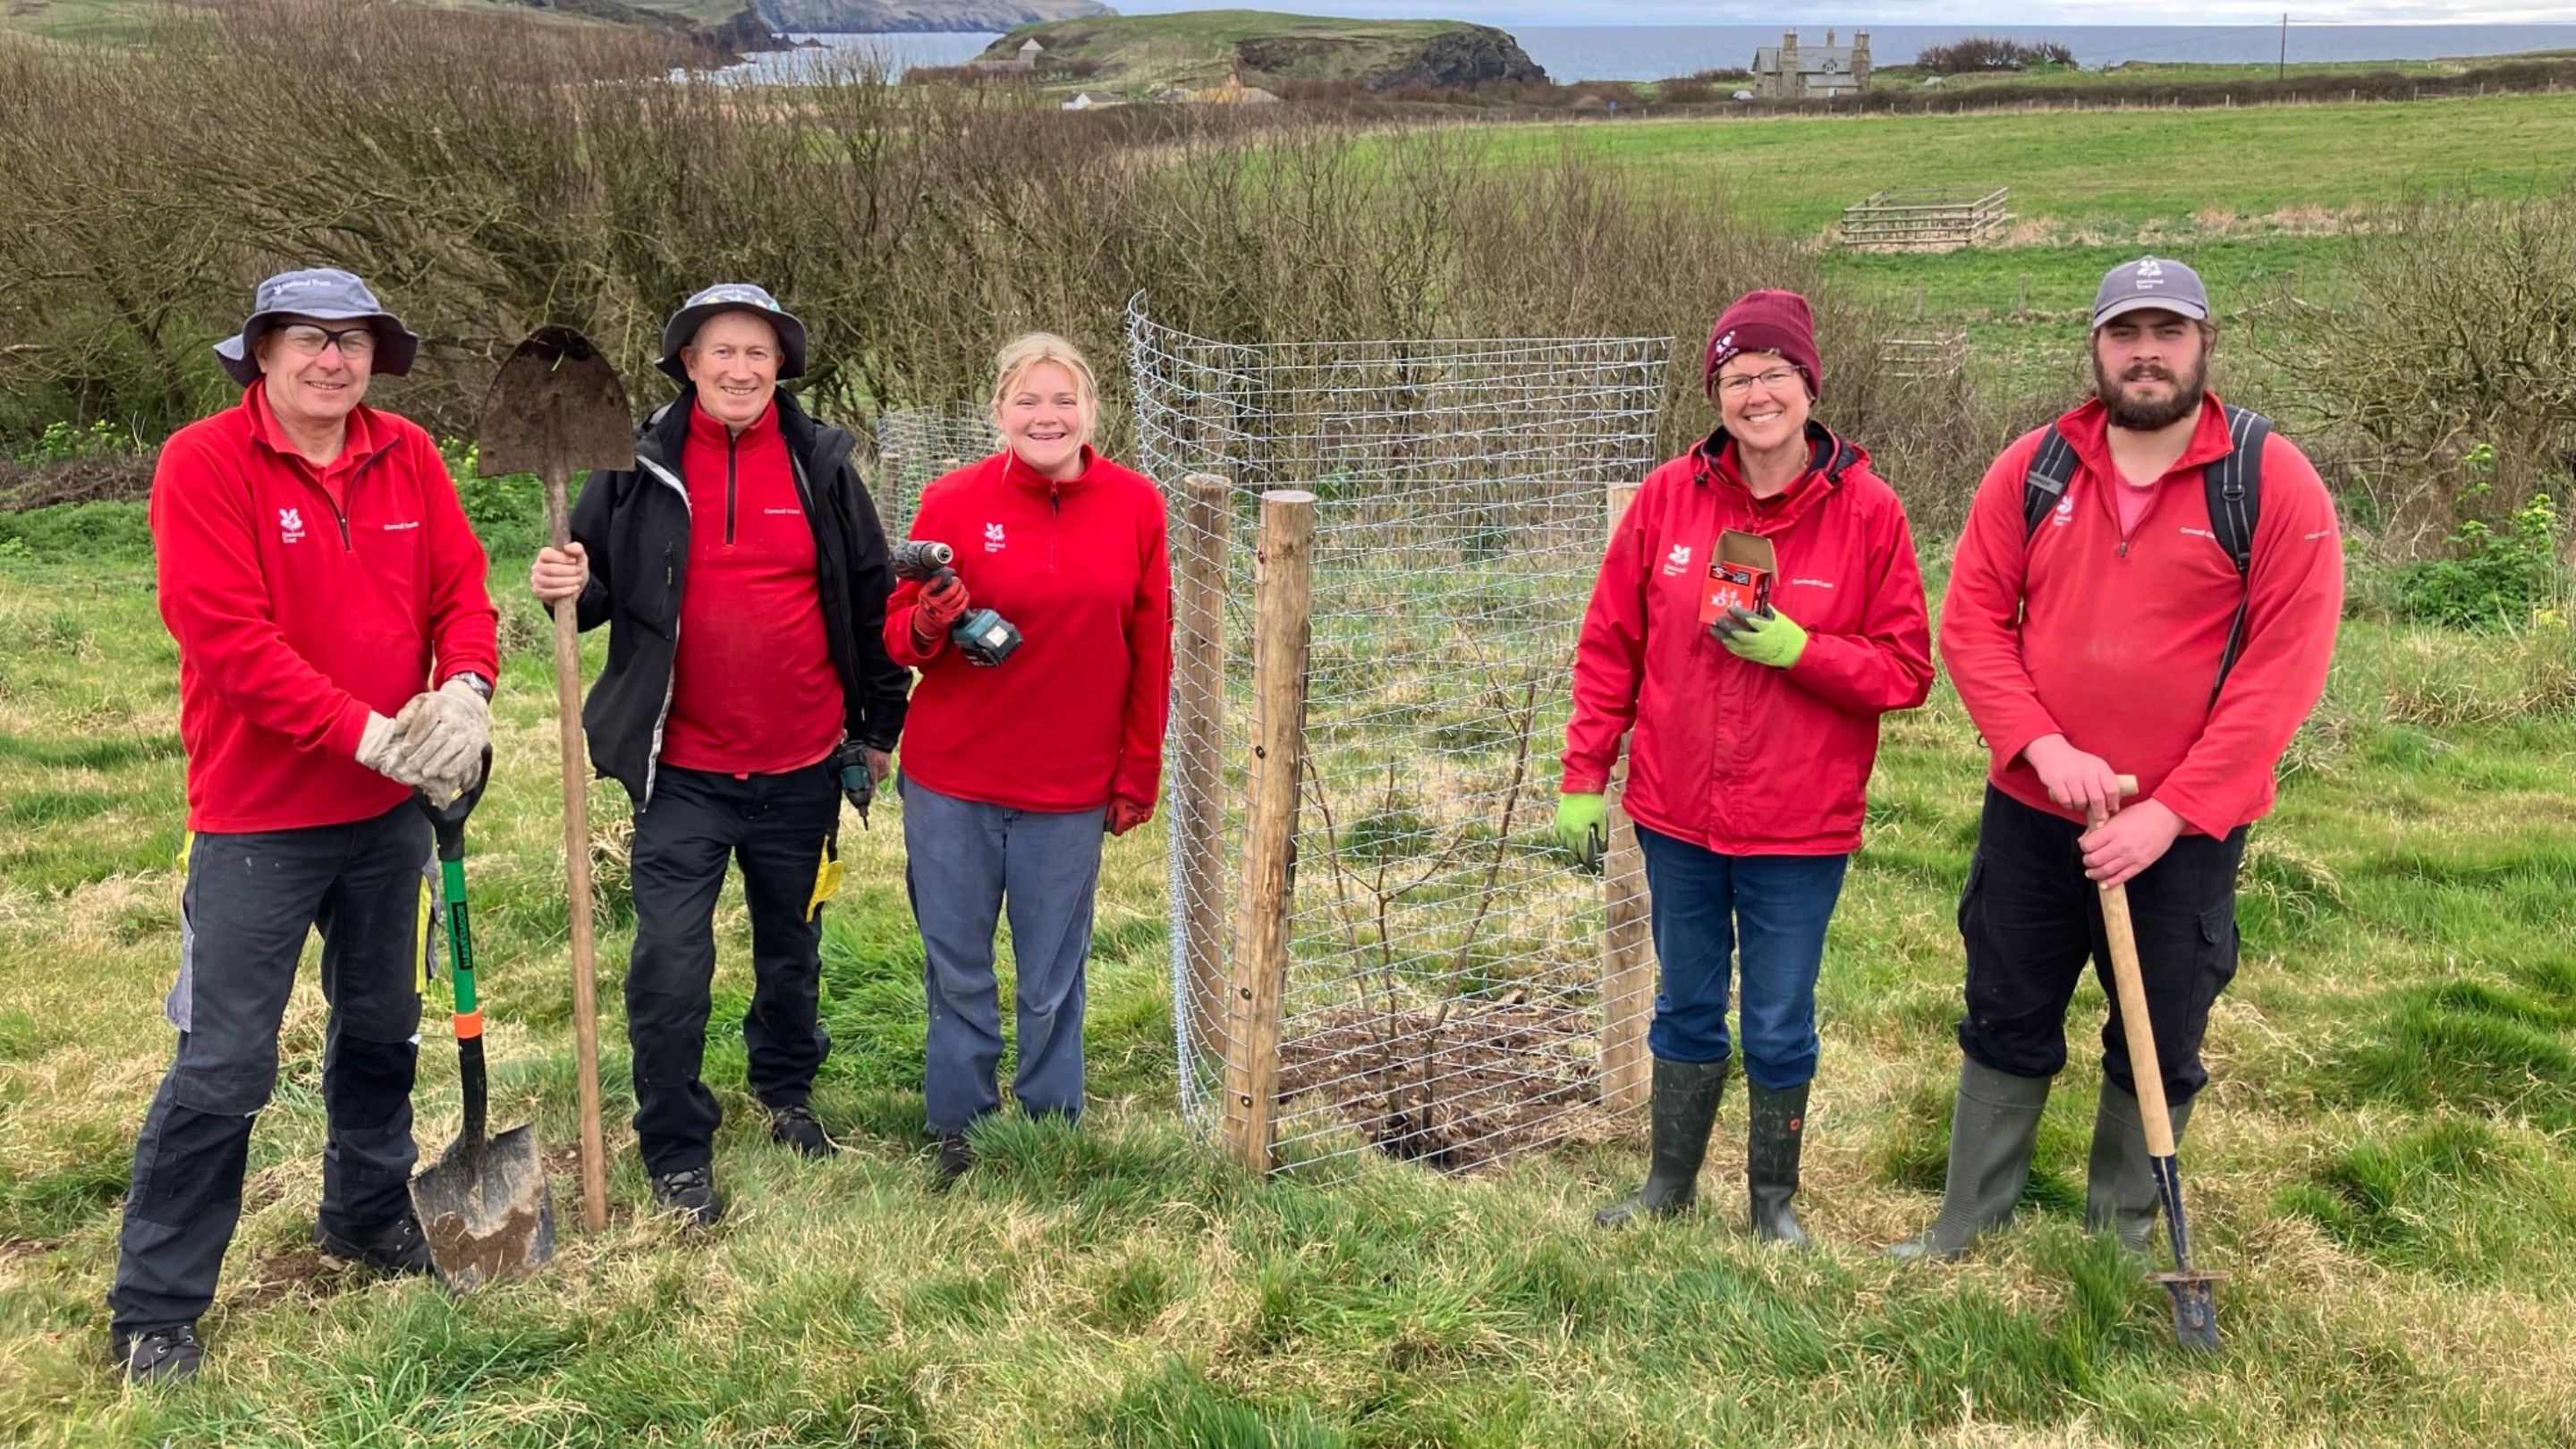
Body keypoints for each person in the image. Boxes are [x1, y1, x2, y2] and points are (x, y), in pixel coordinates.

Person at [1892, 257, 2343, 1259]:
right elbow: (1970, 621)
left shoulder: (2267, 479)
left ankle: (2121, 1237)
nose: (2146, 353)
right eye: (2125, 333)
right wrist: (2041, 746)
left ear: (2204, 345)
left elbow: (2283, 668)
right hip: (2034, 809)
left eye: (2168, 333)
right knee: (2004, 1005)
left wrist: (2169, 813)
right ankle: (1966, 1224)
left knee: (2163, 1032)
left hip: (2180, 829)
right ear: (2095, 346)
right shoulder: (2034, 466)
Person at [109, 268, 498, 1383]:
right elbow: (223, 637)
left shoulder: (409, 457)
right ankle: (157, 1304)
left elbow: (461, 590)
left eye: (355, 342)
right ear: (264, 353)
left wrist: (466, 686)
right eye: (311, 341)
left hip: (391, 824)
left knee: (382, 1032)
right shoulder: (203, 463)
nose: (335, 360)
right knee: (225, 1062)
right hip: (256, 820)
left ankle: (367, 1216)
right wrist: (369, 733)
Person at [530, 284, 909, 1226]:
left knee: (793, 948)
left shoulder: (821, 466)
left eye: (758, 353)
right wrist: (561, 581)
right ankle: (674, 1143)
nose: (740, 369)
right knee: (668, 960)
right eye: (720, 352)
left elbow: (868, 601)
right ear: (688, 364)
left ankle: (786, 1093)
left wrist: (877, 728)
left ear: (781, 366)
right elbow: (594, 586)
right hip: (682, 773)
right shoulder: (637, 465)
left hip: (802, 764)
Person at [1559, 290, 1933, 1243]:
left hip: (1798, 825)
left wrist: (1802, 651)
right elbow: (1611, 644)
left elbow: (1905, 670)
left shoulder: (1869, 513)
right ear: (1715, 394)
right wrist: (1581, 775)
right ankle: (1668, 1187)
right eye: (1734, 378)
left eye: (1772, 373)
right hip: (1678, 813)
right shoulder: (1667, 499)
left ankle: (1774, 1206)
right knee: (1684, 1005)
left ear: (1809, 384)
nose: (1755, 394)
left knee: (1774, 1019)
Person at [884, 332, 1171, 1183]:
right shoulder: (952, 500)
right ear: (999, 412)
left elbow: (1149, 647)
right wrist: (933, 621)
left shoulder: (1136, 506)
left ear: (1090, 411)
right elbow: (898, 634)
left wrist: (1136, 771)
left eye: (1063, 400)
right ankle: (960, 1125)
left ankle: (1049, 1119)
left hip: (1069, 785)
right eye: (1027, 401)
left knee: (1052, 970)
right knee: (958, 962)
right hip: (953, 780)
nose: (1046, 417)